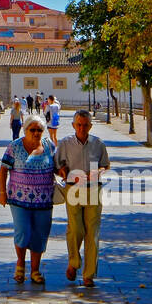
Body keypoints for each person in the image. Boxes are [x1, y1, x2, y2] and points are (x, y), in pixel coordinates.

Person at [0, 115, 58, 285]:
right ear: (25, 130)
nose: (36, 133)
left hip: (44, 200)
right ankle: (20, 265)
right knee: (23, 231)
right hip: (19, 199)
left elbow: (58, 167)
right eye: (33, 130)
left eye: (39, 130)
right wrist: (2, 192)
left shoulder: (49, 146)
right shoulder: (15, 147)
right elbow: (3, 170)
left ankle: (35, 270)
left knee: (40, 234)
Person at [55, 110, 110, 287]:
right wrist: (62, 171)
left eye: (85, 125)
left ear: (90, 126)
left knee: (92, 233)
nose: (82, 128)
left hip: (93, 190)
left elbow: (105, 165)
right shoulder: (65, 144)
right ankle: (74, 261)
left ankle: (89, 274)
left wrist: (99, 171)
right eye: (78, 124)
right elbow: (57, 165)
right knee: (75, 228)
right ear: (73, 125)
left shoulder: (98, 144)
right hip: (73, 189)